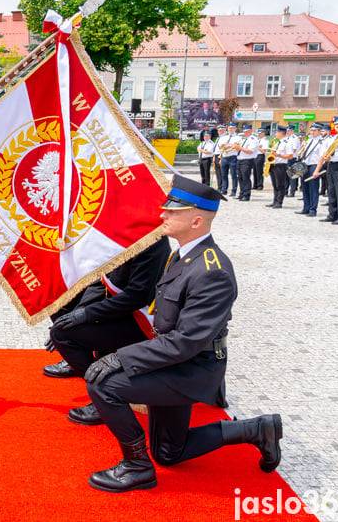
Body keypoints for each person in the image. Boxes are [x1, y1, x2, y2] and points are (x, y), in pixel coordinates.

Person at [83, 174, 282, 493]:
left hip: (192, 368)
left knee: (103, 383)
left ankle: (137, 466)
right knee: (170, 453)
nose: (163, 214)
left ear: (196, 220)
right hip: (173, 361)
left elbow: (186, 342)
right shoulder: (183, 254)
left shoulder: (211, 270)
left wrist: (120, 357)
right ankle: (258, 429)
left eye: (173, 211)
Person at [43, 236, 171, 425]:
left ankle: (105, 394)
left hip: (140, 318)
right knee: (59, 303)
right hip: (117, 306)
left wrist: (87, 314)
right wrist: (79, 312)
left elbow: (137, 296)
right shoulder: (120, 232)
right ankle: (91, 368)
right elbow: (101, 280)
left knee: (63, 335)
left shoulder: (153, 241)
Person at [294, 123, 324, 217]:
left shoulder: (322, 142)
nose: (312, 132)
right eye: (311, 130)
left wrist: (317, 170)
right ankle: (306, 208)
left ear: (319, 131)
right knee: (305, 187)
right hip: (305, 164)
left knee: (313, 188)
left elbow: (322, 157)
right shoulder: (309, 140)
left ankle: (313, 209)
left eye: (314, 130)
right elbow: (302, 153)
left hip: (314, 165)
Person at [267, 125, 293, 209]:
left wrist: (279, 155)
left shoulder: (287, 143)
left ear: (282, 133)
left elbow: (290, 156)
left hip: (281, 165)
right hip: (273, 164)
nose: (275, 133)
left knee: (280, 185)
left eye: (276, 132)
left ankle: (279, 202)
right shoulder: (277, 142)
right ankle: (275, 201)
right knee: (275, 184)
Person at [234, 126, 258, 201]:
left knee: (245, 178)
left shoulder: (253, 139)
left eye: (247, 131)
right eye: (244, 131)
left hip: (247, 160)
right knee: (240, 178)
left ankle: (246, 195)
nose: (245, 133)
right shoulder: (244, 139)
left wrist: (239, 147)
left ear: (251, 131)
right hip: (240, 160)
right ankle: (241, 193)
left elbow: (250, 151)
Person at [218, 123, 239, 197]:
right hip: (224, 157)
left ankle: (234, 191)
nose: (231, 129)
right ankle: (224, 190)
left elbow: (236, 146)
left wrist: (227, 145)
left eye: (232, 128)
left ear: (235, 129)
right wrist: (228, 145)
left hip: (233, 157)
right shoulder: (223, 137)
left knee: (234, 175)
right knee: (224, 175)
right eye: (230, 128)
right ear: (227, 129)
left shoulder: (238, 137)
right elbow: (220, 147)